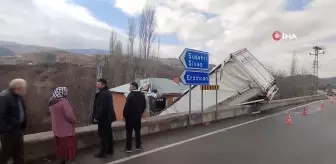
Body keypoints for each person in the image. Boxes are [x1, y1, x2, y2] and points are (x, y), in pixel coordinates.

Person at [0, 78, 28, 164]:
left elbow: (22, 111)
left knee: (19, 155)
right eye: (24, 88)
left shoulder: (19, 96)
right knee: (5, 155)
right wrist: (6, 129)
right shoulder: (4, 97)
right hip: (8, 132)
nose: (25, 89)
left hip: (18, 129)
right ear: (18, 88)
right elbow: (1, 115)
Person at [48, 87, 77, 164]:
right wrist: (74, 120)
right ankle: (69, 161)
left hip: (56, 129)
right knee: (68, 147)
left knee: (60, 147)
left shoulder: (51, 102)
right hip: (66, 129)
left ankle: (62, 160)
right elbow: (69, 116)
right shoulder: (64, 102)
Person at [92, 78, 116, 158]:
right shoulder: (106, 92)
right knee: (108, 134)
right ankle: (109, 150)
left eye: (98, 84)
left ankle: (102, 152)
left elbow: (102, 107)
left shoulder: (103, 94)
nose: (97, 85)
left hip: (104, 118)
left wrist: (96, 117)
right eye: (97, 84)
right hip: (108, 117)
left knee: (103, 135)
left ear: (103, 85)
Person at [123, 82, 146, 153]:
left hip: (129, 117)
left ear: (133, 87)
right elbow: (144, 106)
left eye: (130, 87)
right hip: (137, 117)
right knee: (137, 132)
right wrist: (140, 113)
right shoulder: (142, 94)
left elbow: (126, 107)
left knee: (129, 133)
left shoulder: (130, 95)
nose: (129, 88)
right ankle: (138, 146)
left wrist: (124, 116)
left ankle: (128, 148)